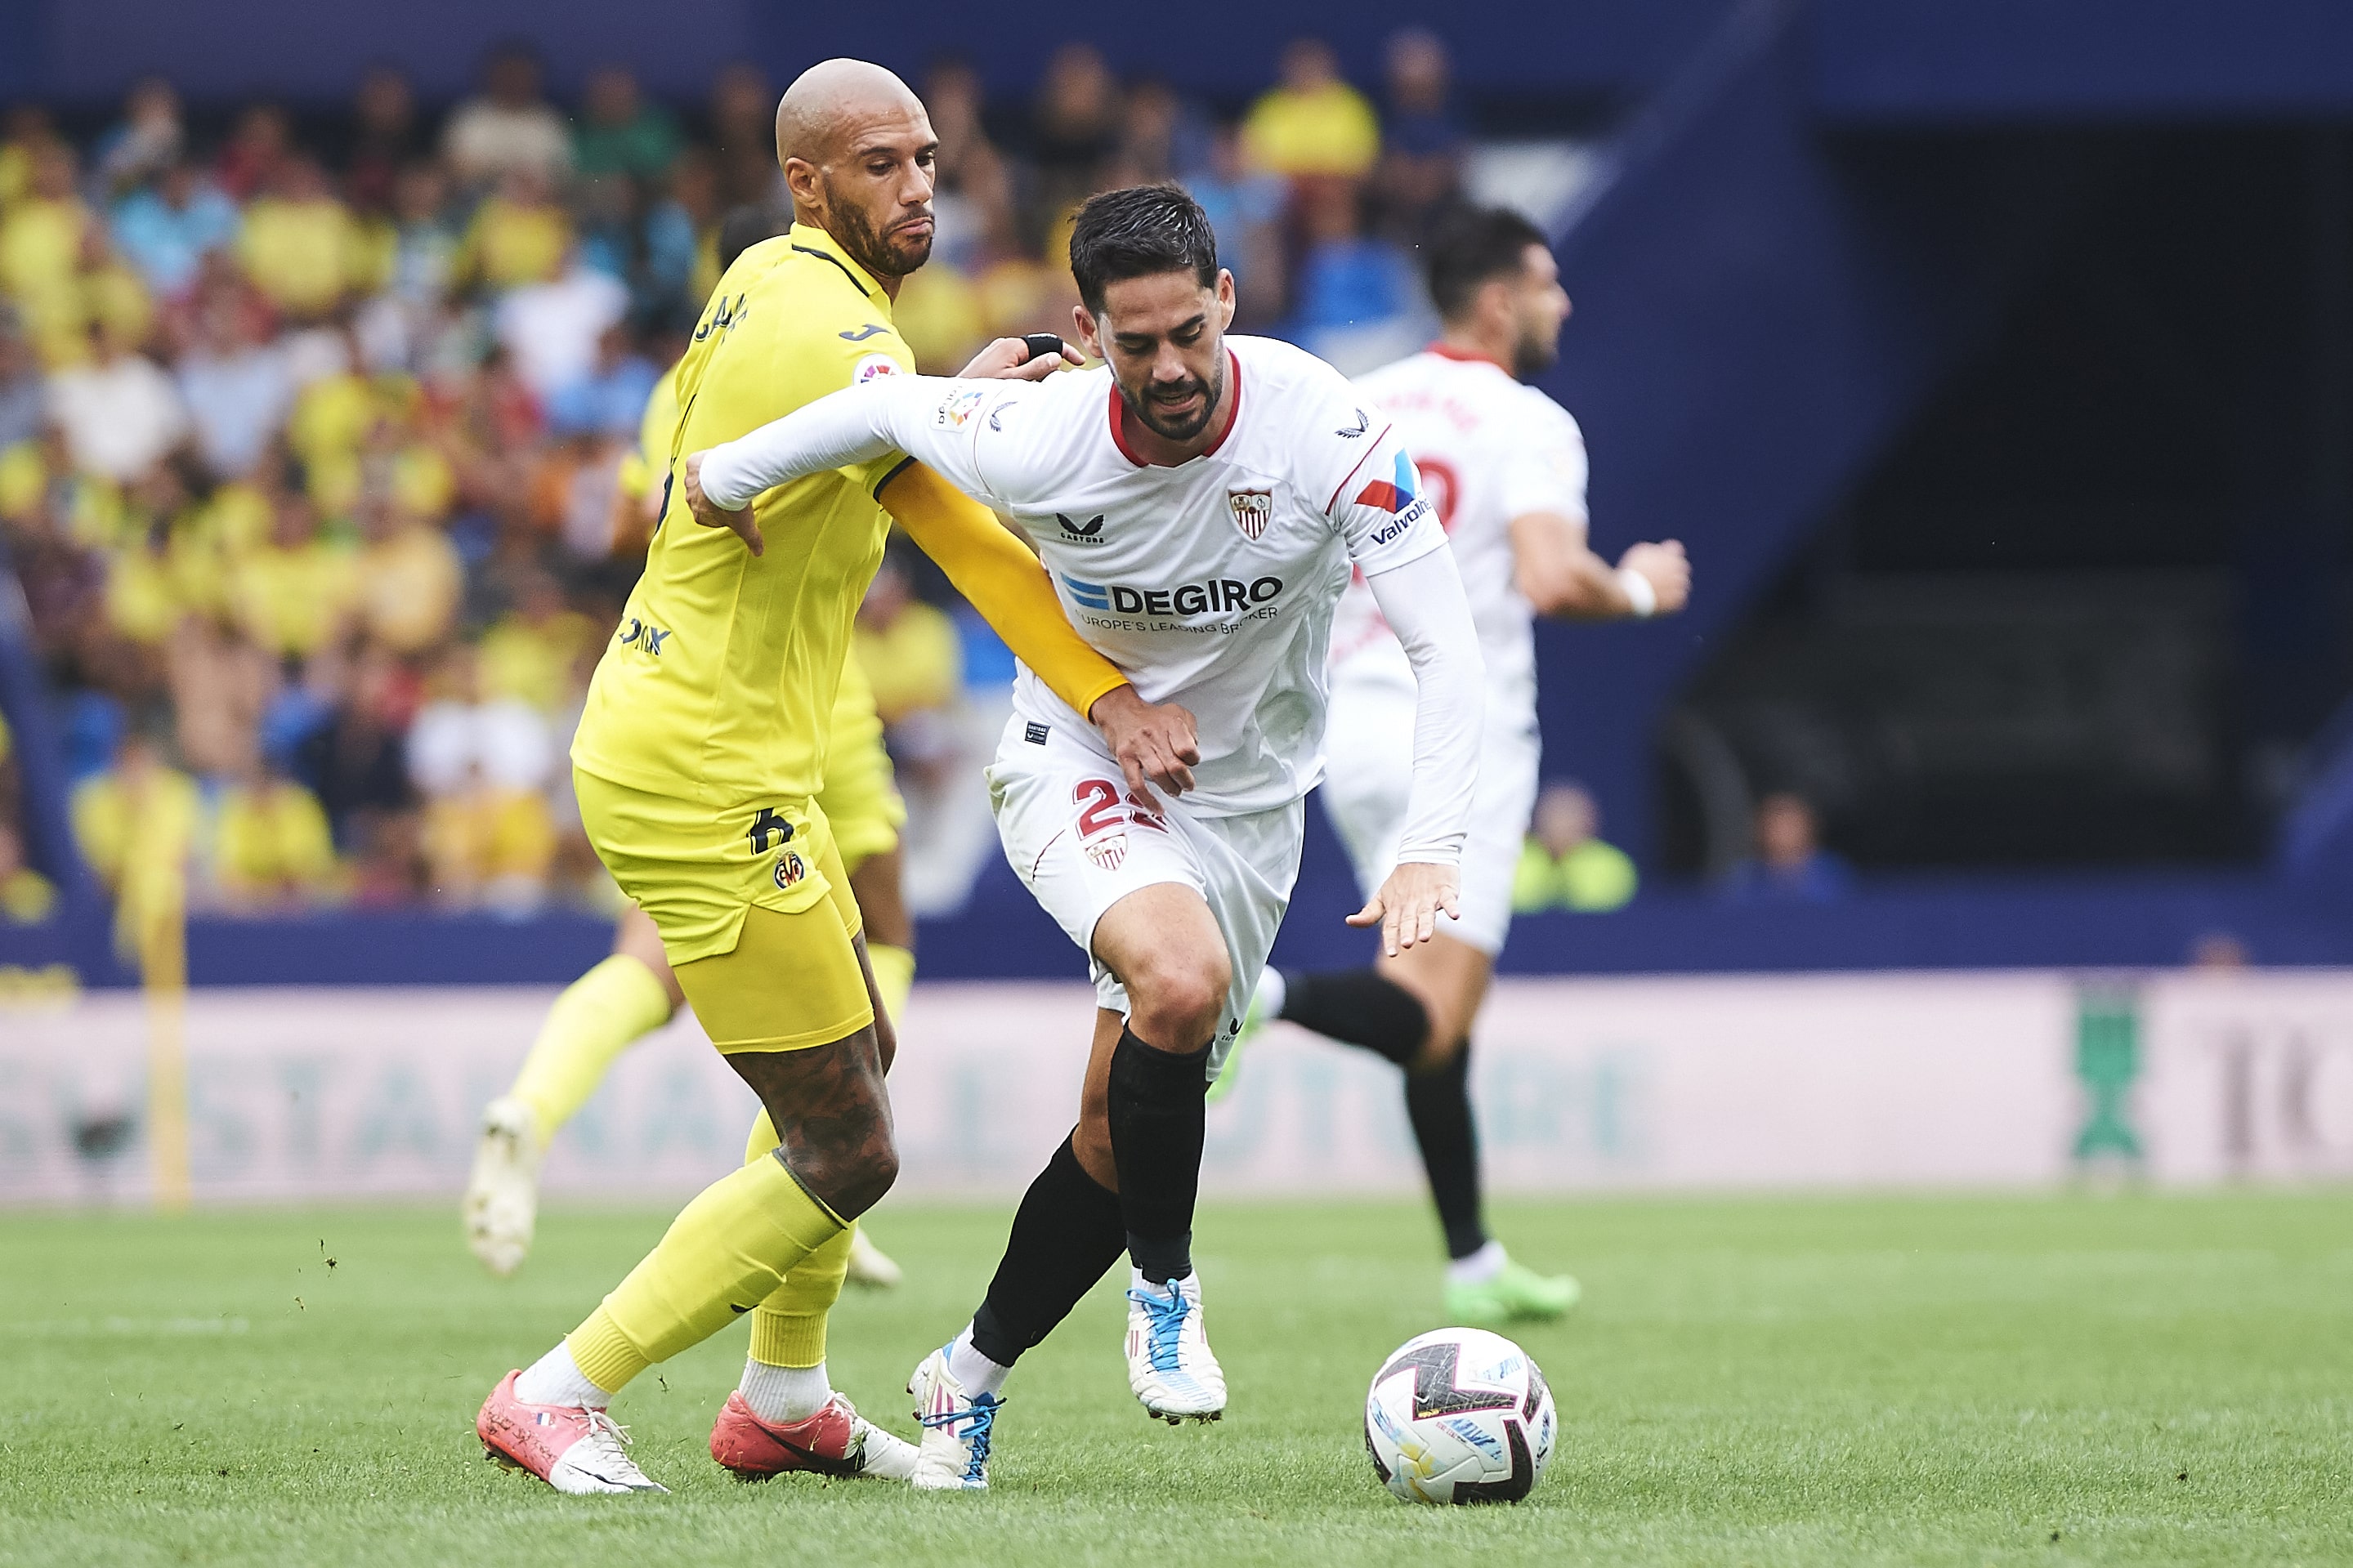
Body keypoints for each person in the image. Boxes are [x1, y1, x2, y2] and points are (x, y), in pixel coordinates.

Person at [687, 181, 1484, 1489]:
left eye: (1188, 332)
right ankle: (1165, 1294)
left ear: (1225, 300)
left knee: (1119, 1131)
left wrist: (1428, 842)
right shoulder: (1039, 435)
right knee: (1180, 982)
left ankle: (964, 1376)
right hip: (1078, 762)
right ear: (1086, 330)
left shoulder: (1330, 433)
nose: (1168, 369)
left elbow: (1444, 645)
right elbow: (886, 408)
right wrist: (723, 473)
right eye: (1134, 343)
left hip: (1247, 807)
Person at [472, 59, 1190, 1498]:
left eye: (924, 157)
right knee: (849, 1148)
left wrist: (927, 400)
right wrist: (1107, 691)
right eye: (875, 165)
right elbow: (967, 537)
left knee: (861, 1043)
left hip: (728, 741)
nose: (914, 185)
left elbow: (682, 449)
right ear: (805, 181)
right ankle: (556, 1391)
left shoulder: (766, 286)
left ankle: (783, 1398)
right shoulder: (834, 329)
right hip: (699, 764)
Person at [1226, 207, 1690, 1327]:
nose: (1560, 304)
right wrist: (1634, 586)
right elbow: (1545, 575)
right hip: (1456, 737)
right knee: (1430, 1013)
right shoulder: (1523, 417)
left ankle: (1473, 1257)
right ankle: (1246, 1001)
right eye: (1545, 284)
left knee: (1441, 1009)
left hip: (1343, 723)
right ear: (1495, 300)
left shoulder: (1357, 395)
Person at [462, 208, 919, 1297]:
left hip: (673, 683)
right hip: (798, 694)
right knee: (871, 952)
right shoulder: (842, 342)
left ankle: (534, 1101)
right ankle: (814, 1179)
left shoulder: (689, 374)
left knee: (657, 955)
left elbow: (634, 516)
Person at [1511, 780, 1637, 914]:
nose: (1562, 826)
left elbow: (1600, 903)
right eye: (1556, 816)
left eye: (1571, 817)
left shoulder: (1613, 863)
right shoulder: (1514, 858)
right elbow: (1519, 901)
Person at [1721, 790, 1852, 902]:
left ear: (1808, 826)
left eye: (1790, 824)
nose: (1781, 832)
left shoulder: (1834, 876)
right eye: (1773, 825)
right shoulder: (1744, 880)